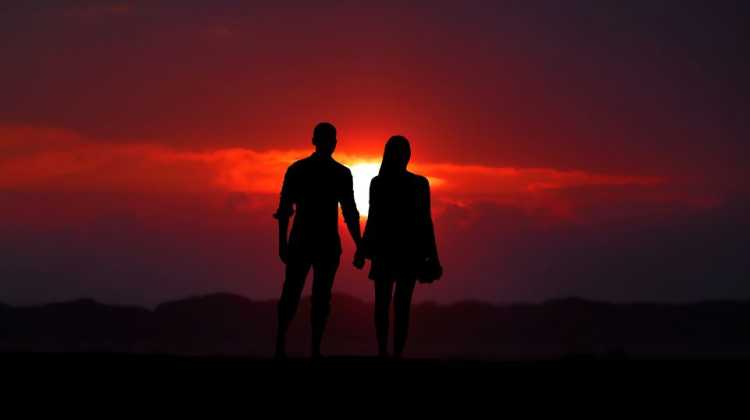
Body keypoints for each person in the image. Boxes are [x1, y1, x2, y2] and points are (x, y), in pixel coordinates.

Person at [274, 122, 361, 359]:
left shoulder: (298, 170)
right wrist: (359, 245)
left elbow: (284, 210)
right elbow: (350, 212)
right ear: (333, 142)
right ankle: (310, 347)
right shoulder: (340, 173)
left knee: (297, 294)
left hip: (306, 240)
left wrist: (282, 242)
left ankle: (287, 345)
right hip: (321, 243)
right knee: (317, 297)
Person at [354, 135, 441, 358]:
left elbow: (374, 219)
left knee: (385, 304)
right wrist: (433, 257)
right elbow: (424, 222)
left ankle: (386, 352)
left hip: (390, 252)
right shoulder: (417, 183)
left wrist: (363, 250)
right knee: (400, 305)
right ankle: (393, 353)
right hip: (406, 253)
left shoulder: (380, 183)